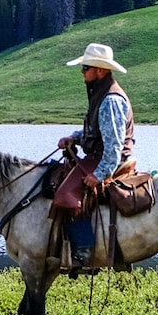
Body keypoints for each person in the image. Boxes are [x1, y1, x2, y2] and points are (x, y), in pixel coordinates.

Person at [57, 41, 135, 269]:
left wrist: (100, 174)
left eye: (85, 68)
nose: (82, 73)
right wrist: (75, 138)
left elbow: (114, 145)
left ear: (100, 70)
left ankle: (83, 251)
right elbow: (97, 131)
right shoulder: (101, 94)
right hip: (97, 156)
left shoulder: (110, 99)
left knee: (66, 194)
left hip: (107, 160)